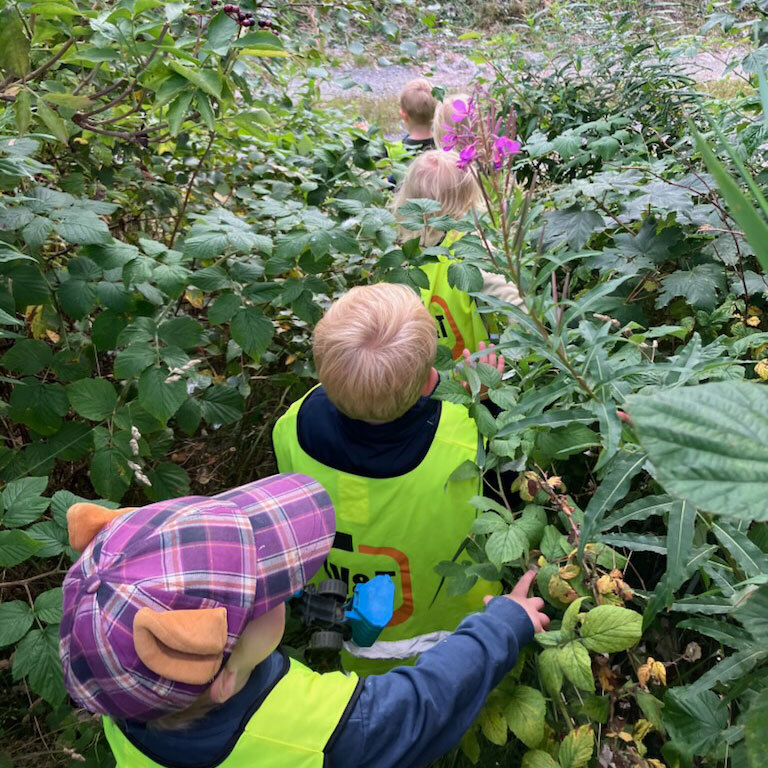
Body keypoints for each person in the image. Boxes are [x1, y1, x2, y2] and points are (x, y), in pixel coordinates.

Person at [60, 475, 549, 768]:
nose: (282, 586)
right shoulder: (320, 734)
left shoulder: (123, 688)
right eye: (268, 590)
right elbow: (423, 705)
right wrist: (503, 625)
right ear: (225, 679)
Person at [272, 283, 508, 674]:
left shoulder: (290, 426)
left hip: (343, 633)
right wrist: (488, 403)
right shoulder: (472, 438)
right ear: (428, 381)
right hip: (461, 638)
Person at [393, 149, 523, 359]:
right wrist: (513, 353)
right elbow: (517, 304)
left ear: (407, 198)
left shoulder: (406, 251)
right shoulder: (473, 247)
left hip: (423, 376)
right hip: (475, 374)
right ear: (469, 199)